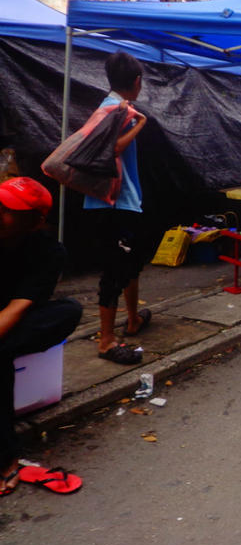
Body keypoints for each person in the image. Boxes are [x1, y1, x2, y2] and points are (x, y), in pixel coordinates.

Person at [0, 177, 82, 496]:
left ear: (36, 222)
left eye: (10, 210)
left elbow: (17, 308)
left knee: (69, 310)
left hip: (12, 317)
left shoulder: (48, 252)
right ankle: (7, 457)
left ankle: (5, 457)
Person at [86, 52, 150, 364]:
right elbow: (114, 148)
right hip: (114, 202)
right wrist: (141, 123)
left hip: (114, 201)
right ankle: (107, 342)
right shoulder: (119, 109)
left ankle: (133, 319)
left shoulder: (107, 105)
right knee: (114, 270)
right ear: (136, 82)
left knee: (128, 263)